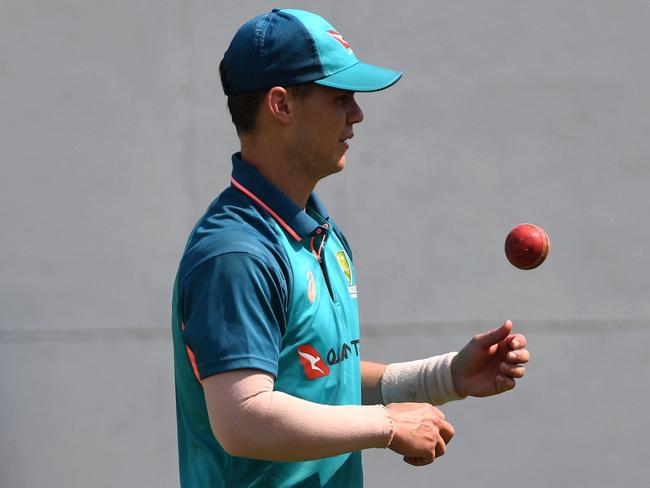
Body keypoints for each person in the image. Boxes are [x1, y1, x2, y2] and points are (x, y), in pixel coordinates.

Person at [171, 8, 530, 487]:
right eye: (340, 98)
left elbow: (316, 373)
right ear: (281, 105)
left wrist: (448, 377)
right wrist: (388, 425)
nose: (357, 114)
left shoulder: (319, 233)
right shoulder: (236, 253)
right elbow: (244, 417)